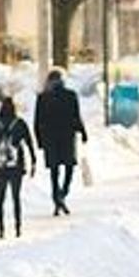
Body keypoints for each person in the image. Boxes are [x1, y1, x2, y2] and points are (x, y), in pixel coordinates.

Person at [34, 67, 88, 216]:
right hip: (67, 137)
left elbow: (37, 121)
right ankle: (63, 193)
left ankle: (56, 196)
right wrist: (83, 133)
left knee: (54, 169)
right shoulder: (70, 95)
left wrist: (39, 140)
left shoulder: (43, 98)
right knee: (69, 166)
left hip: (50, 138)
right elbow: (76, 116)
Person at [0, 94, 35, 239]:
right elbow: (29, 143)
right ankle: (18, 228)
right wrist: (33, 161)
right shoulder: (20, 123)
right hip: (16, 167)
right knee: (16, 198)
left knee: (0, 199)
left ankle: (1, 230)